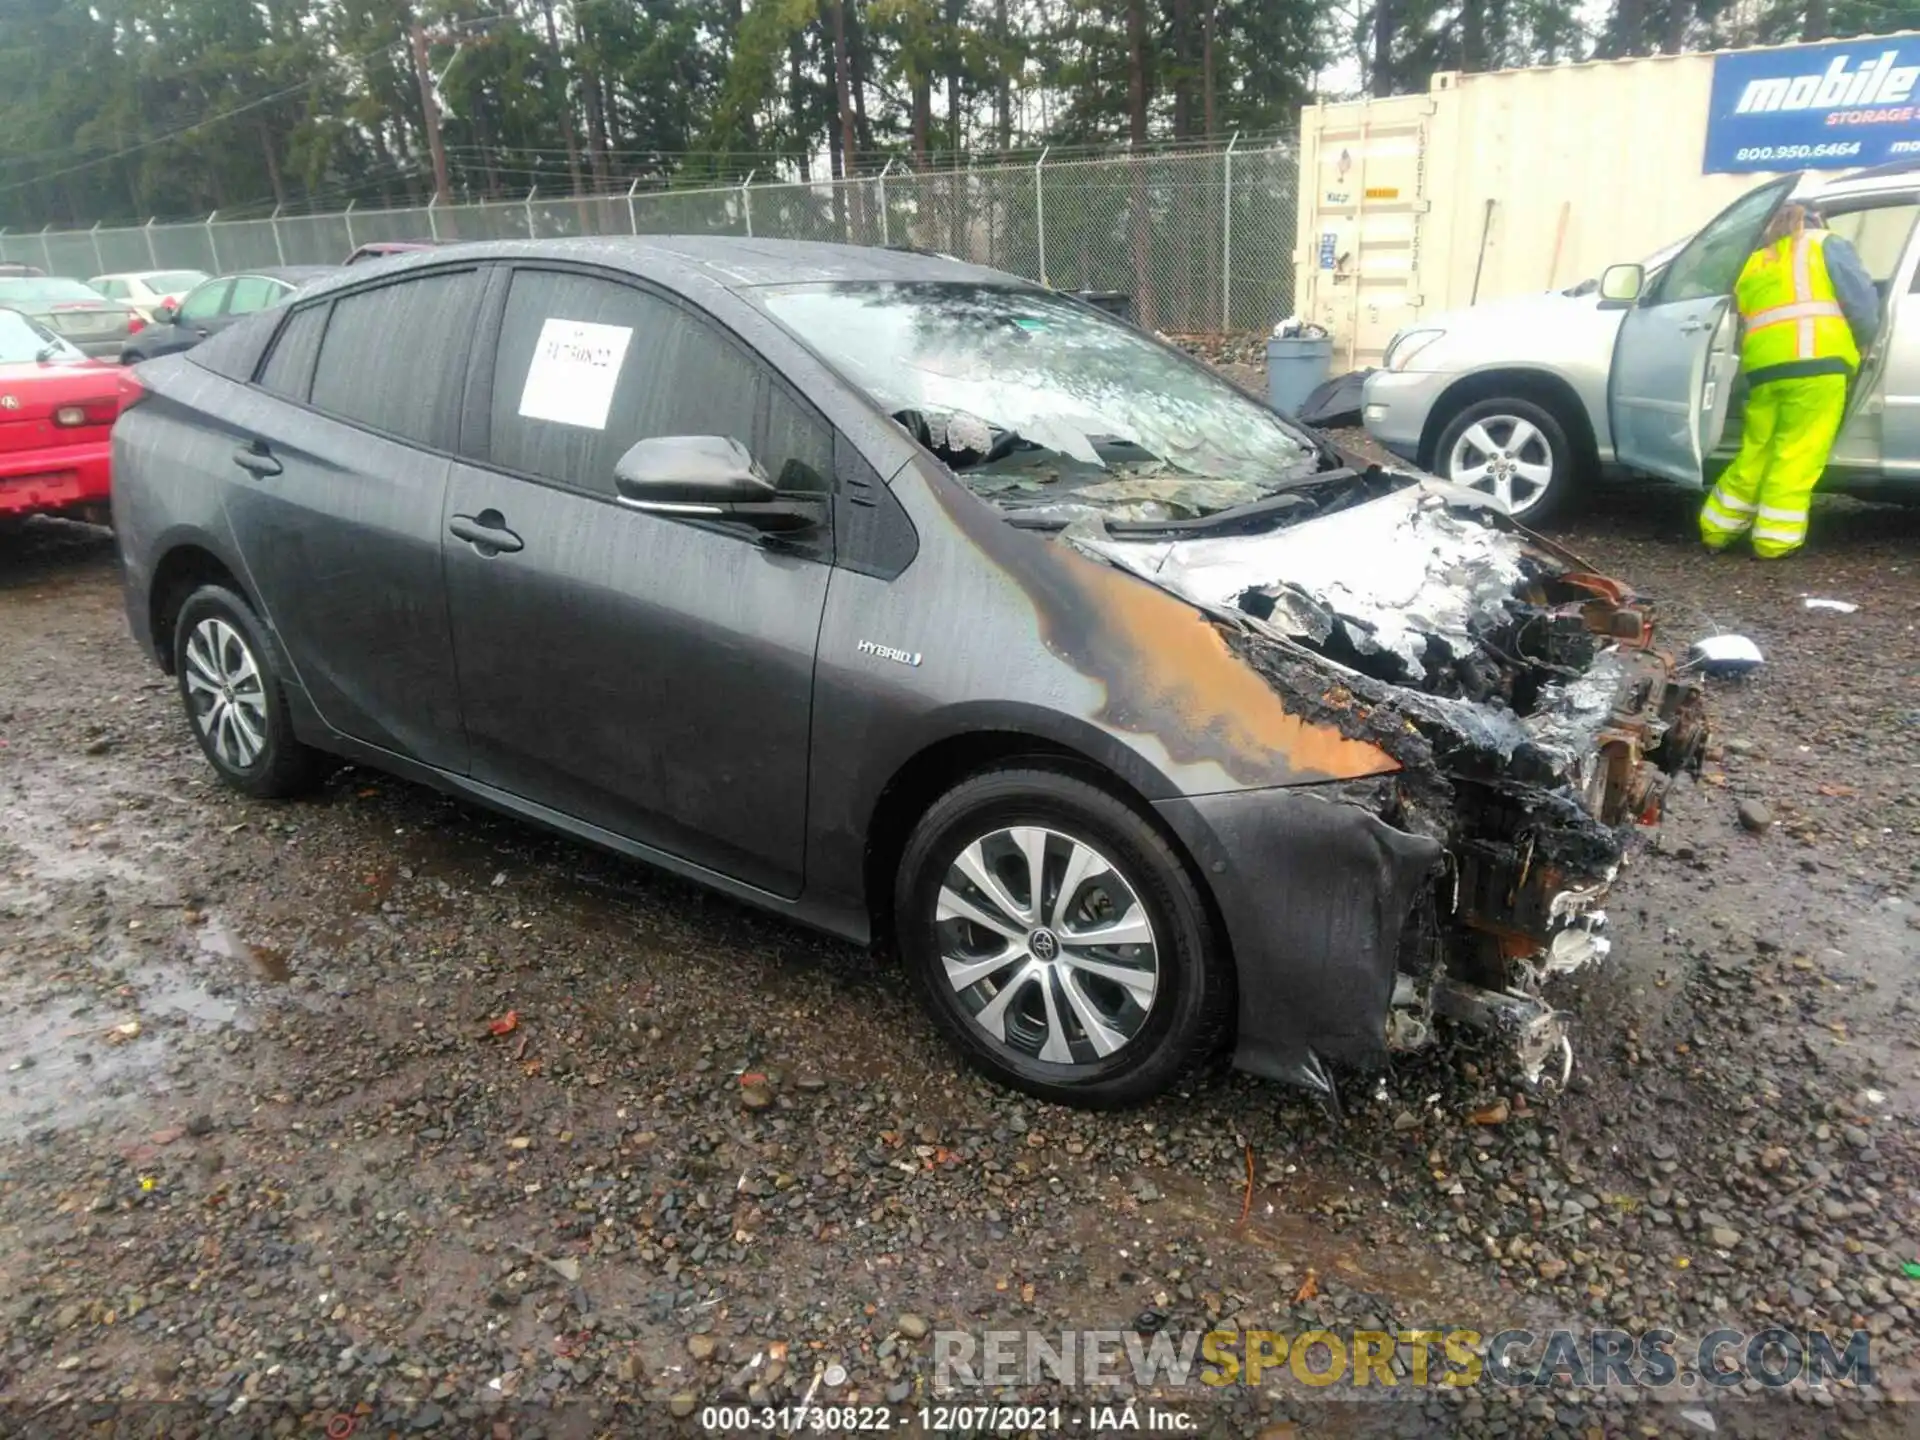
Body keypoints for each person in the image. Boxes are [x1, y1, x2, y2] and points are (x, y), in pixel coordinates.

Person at [1698, 202, 1880, 558]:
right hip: (1818, 365)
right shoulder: (1825, 244)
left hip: (1764, 371)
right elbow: (1863, 306)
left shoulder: (1754, 262)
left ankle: (1715, 529)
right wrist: (1863, 341)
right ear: (1817, 220)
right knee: (1796, 454)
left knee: (1757, 449)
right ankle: (1773, 542)